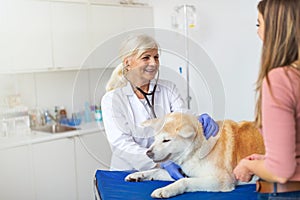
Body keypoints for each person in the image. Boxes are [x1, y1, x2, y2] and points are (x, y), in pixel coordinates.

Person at [101, 34, 218, 180]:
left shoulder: (168, 88)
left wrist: (198, 121)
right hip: (128, 173)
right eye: (146, 57)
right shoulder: (112, 99)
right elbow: (121, 144)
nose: (153, 63)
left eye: (156, 57)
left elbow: (182, 117)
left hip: (165, 172)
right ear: (128, 63)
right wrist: (158, 162)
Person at [232, 0, 300, 199]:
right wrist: (268, 159)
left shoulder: (282, 79)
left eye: (258, 24)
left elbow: (281, 171)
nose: (258, 32)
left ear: (276, 27)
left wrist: (249, 165)